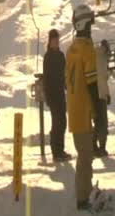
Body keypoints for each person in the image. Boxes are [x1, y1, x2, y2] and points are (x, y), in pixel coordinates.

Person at [66, 4, 99, 211]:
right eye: (90, 25)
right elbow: (92, 84)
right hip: (84, 111)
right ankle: (82, 198)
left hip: (75, 111)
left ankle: (84, 194)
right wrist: (99, 112)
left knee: (84, 155)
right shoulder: (86, 50)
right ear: (84, 24)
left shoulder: (71, 49)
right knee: (85, 158)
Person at [43, 29, 71, 162]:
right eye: (53, 40)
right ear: (50, 41)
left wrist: (67, 86)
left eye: (57, 39)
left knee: (63, 122)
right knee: (57, 122)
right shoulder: (48, 57)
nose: (56, 42)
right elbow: (47, 78)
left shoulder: (61, 55)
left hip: (60, 93)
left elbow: (64, 74)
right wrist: (48, 96)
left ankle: (61, 149)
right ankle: (56, 151)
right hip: (52, 95)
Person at [93, 40, 111, 157]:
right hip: (100, 94)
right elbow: (103, 79)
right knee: (102, 122)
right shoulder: (102, 58)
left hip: (93, 93)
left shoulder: (96, 54)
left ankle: (94, 146)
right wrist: (107, 94)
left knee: (97, 120)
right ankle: (101, 147)